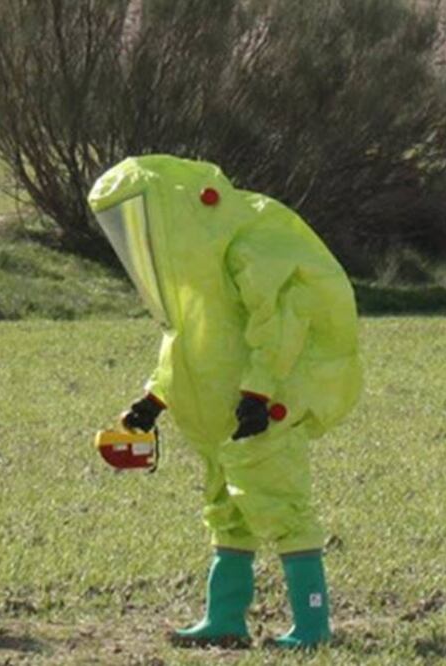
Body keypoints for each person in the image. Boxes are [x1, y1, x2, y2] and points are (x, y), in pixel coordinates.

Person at [88, 155, 362, 649]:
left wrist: (258, 393)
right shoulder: (191, 290)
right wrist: (154, 400)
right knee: (227, 514)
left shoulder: (243, 251)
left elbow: (276, 329)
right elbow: (187, 349)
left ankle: (313, 626)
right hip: (216, 422)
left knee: (284, 510)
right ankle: (225, 619)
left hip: (261, 415)